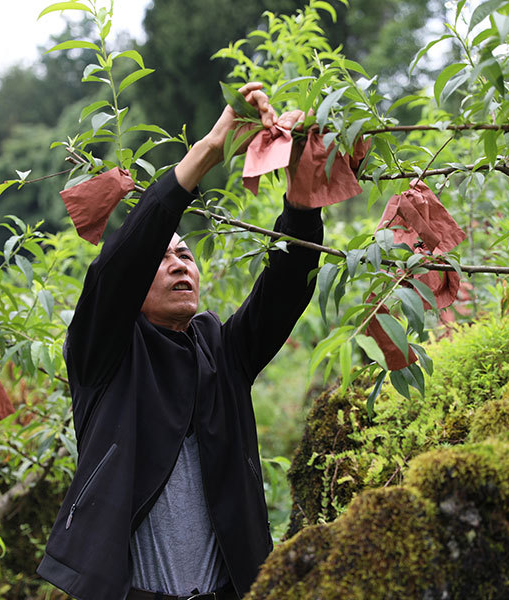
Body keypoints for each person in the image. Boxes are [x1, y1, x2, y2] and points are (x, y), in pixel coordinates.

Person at [37, 83, 322, 600]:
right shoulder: (105, 353)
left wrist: (301, 203)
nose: (178, 263)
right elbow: (117, 266)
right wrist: (206, 153)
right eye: (163, 257)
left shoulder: (221, 350)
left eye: (187, 255)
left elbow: (283, 291)